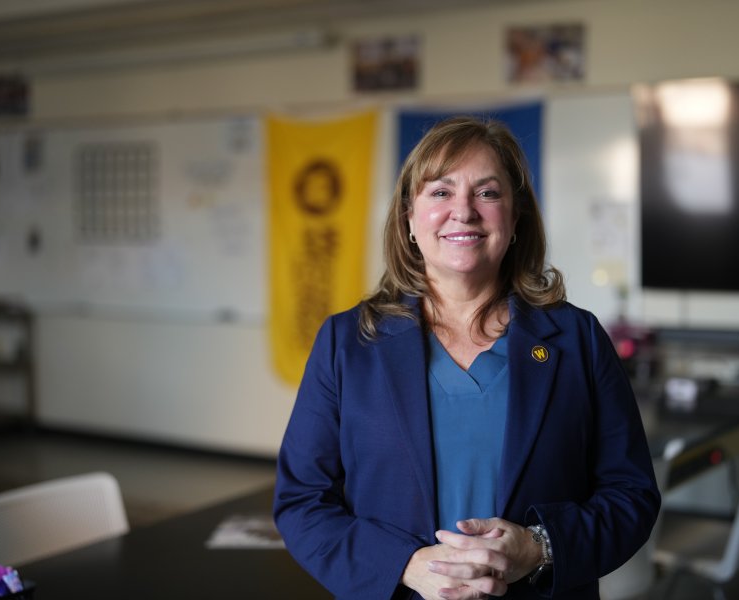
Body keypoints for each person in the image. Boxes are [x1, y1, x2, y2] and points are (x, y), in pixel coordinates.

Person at [274, 116, 660, 599]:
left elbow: (632, 495)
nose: (464, 212)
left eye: (487, 193)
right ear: (409, 219)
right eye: (440, 192)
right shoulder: (346, 343)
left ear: (515, 218)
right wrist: (405, 565)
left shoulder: (576, 338)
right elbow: (301, 503)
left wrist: (540, 547)